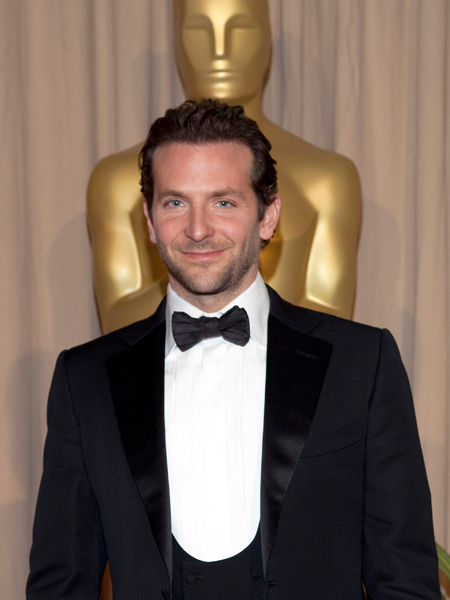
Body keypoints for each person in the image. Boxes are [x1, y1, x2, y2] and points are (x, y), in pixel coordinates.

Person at [28, 99, 439, 600]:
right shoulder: (85, 380)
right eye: (175, 203)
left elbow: (405, 581)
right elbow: (60, 585)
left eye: (223, 202)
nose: (198, 229)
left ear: (268, 216)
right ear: (150, 221)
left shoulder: (362, 364)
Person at [87, 0, 361, 335]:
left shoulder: (328, 179)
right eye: (198, 30)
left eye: (241, 28)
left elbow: (329, 330)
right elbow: (120, 329)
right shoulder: (116, 181)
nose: (219, 50)